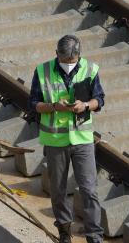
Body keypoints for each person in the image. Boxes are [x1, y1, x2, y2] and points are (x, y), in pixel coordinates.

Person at [29, 34, 106, 243]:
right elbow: (33, 104)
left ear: (79, 56)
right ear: (56, 55)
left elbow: (100, 99)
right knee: (58, 191)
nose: (68, 66)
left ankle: (94, 237)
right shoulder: (42, 71)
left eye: (72, 62)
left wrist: (86, 106)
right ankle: (64, 232)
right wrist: (55, 106)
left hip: (82, 140)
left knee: (89, 189)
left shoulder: (90, 69)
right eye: (64, 62)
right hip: (56, 142)